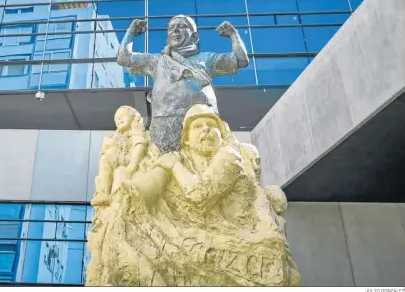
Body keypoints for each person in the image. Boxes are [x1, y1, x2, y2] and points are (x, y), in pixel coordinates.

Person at [86, 104, 300, 287]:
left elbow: (199, 194)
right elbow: (145, 191)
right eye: (198, 126)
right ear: (186, 139)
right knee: (125, 227)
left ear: (221, 135)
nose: (206, 130)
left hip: (239, 240)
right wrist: (125, 189)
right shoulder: (180, 157)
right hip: (194, 234)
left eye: (211, 126)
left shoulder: (229, 156)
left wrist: (174, 166)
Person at [117, 15, 249, 153]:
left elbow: (241, 60)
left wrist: (233, 35)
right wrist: (131, 33)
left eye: (182, 26)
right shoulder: (156, 61)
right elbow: (123, 58)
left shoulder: (208, 59)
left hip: (203, 123)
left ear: (194, 37)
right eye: (171, 28)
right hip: (165, 124)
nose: (175, 31)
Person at [90, 106, 150, 207]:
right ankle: (103, 192)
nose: (119, 119)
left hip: (129, 160)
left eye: (122, 116)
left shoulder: (135, 131)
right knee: (105, 160)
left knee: (106, 159)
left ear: (133, 117)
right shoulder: (116, 136)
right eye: (116, 118)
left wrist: (132, 166)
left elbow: (139, 147)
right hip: (118, 158)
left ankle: (104, 192)